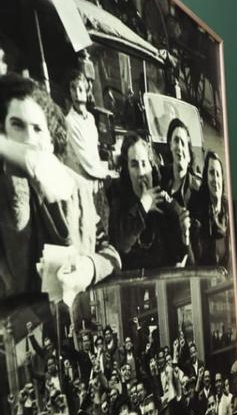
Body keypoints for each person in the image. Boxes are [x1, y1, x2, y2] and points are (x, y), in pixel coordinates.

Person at [0, 75, 121, 300]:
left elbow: (110, 254)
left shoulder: (77, 190)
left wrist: (89, 268)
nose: (29, 138)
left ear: (50, 138)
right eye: (17, 125)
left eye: (37, 129)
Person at [106, 131, 189, 271]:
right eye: (134, 165)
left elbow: (182, 254)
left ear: (152, 167)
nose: (141, 173)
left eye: (144, 164)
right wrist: (143, 206)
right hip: (131, 285)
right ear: (126, 171)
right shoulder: (119, 201)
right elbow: (120, 244)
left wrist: (185, 235)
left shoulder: (164, 201)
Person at [61, 67, 115, 233]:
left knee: (104, 225)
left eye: (80, 89)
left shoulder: (91, 119)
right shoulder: (69, 121)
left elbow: (94, 150)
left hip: (95, 184)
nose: (77, 94)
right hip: (82, 185)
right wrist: (108, 174)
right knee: (87, 229)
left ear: (86, 91)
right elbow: (86, 160)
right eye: (73, 88)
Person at [187, 152, 229, 267]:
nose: (215, 178)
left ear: (222, 178)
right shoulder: (197, 208)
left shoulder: (228, 208)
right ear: (206, 177)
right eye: (211, 173)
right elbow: (194, 256)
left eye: (218, 174)